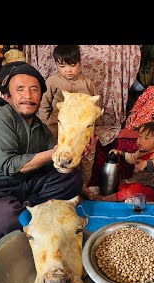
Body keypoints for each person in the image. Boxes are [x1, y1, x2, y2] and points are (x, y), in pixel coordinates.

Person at [0, 61, 86, 243]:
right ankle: (29, 211)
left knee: (71, 179)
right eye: (20, 89)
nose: (28, 96)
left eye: (34, 89)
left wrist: (75, 150)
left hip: (24, 185)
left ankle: (27, 211)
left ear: (40, 96)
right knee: (3, 219)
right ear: (7, 96)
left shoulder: (42, 128)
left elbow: (57, 160)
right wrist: (55, 153)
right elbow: (10, 165)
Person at [38, 45, 100, 200]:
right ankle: (60, 188)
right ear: (56, 65)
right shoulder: (52, 82)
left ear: (80, 63)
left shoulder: (88, 83)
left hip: (82, 130)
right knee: (61, 156)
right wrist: (45, 124)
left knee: (87, 156)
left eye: (72, 65)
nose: (68, 70)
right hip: (58, 128)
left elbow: (93, 106)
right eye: (62, 66)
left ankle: (83, 186)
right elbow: (44, 104)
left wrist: (92, 126)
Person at [102, 121, 154, 202]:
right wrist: (120, 153)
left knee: (134, 190)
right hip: (137, 182)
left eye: (146, 138)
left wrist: (147, 163)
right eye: (139, 137)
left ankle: (107, 199)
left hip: (150, 188)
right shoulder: (140, 152)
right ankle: (130, 198)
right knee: (121, 185)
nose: (140, 140)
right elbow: (131, 158)